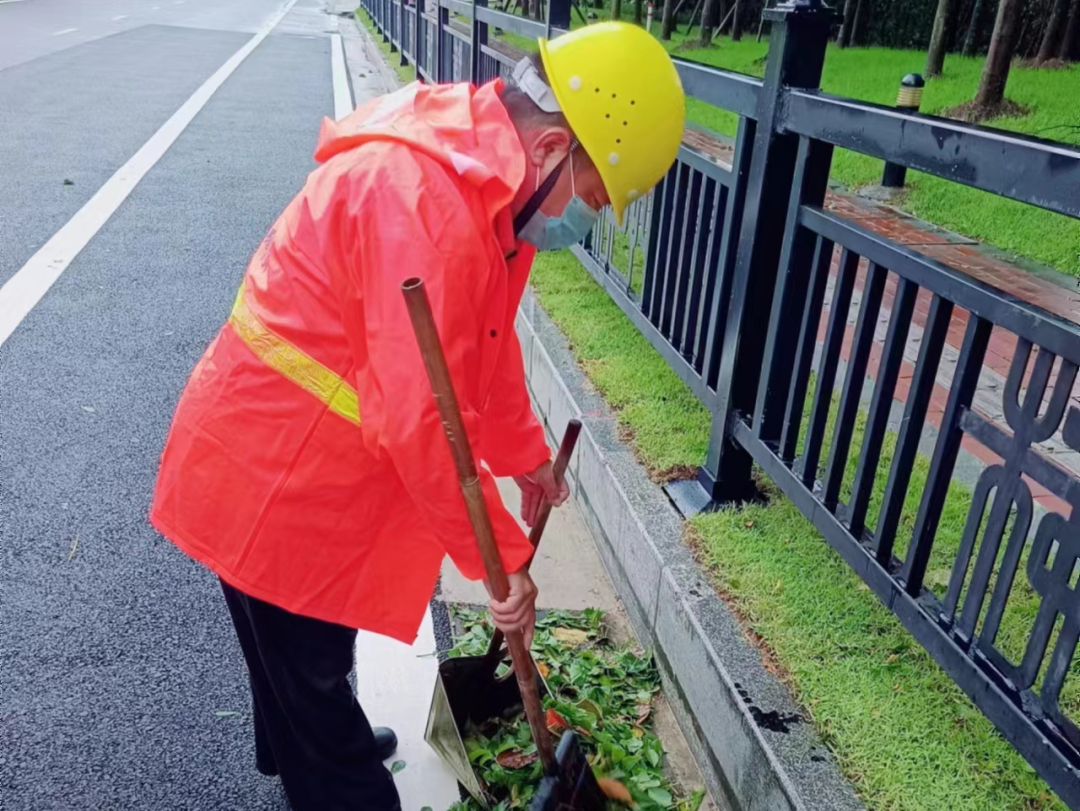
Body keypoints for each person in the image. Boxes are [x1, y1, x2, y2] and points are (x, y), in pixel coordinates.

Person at [150, 20, 684, 811]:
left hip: (307, 457)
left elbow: (487, 345)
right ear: (550, 150)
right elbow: (423, 419)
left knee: (306, 652)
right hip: (270, 466)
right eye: (594, 197)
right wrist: (502, 563)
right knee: (307, 668)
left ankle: (300, 731)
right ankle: (316, 751)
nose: (585, 219)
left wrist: (526, 457)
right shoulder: (424, 204)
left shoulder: (487, 183)